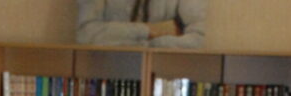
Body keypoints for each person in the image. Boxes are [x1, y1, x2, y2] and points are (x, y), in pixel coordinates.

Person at [76, 0, 206, 48]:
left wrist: (153, 44)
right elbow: (85, 34)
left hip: (162, 75)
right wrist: (150, 30)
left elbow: (200, 40)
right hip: (105, 72)